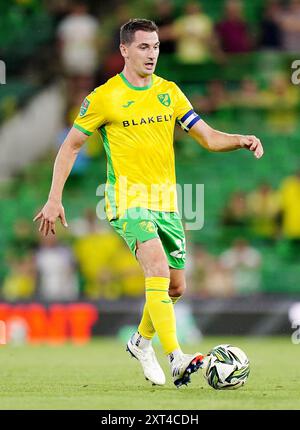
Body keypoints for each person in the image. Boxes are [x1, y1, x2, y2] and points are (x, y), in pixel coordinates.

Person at [33, 19, 264, 388]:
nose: (152, 53)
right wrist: (54, 197)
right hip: (126, 198)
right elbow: (71, 145)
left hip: (167, 203)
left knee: (174, 288)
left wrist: (240, 138)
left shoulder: (169, 92)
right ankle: (177, 357)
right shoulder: (104, 97)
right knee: (154, 264)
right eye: (143, 47)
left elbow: (206, 137)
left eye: (156, 46)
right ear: (124, 50)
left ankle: (141, 342)